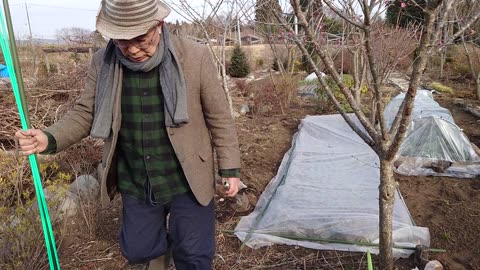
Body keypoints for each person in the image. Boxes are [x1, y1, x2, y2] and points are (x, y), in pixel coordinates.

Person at [15, 0, 241, 269]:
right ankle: (161, 255)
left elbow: (219, 118)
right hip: (136, 175)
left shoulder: (194, 56)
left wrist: (229, 168)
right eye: (122, 41)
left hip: (188, 176)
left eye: (140, 39)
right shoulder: (103, 62)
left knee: (194, 255)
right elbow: (86, 112)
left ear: (159, 24)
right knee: (138, 250)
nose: (132, 49)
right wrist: (48, 138)